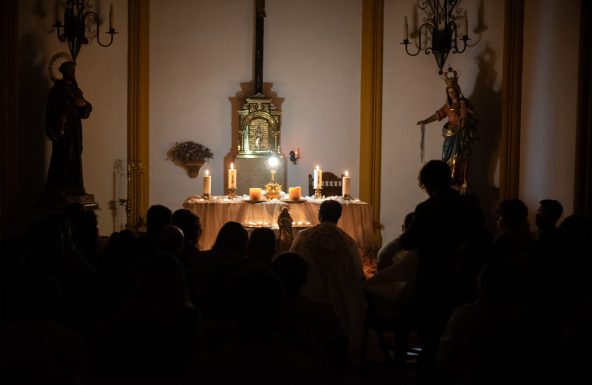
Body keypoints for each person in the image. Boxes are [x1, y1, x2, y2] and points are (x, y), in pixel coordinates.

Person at [416, 67, 478, 191]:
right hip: (450, 134)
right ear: (447, 93)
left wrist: (466, 113)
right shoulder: (447, 107)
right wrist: (425, 122)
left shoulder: (464, 103)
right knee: (446, 157)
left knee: (461, 158)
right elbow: (437, 115)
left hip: (462, 134)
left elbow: (474, 115)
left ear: (457, 90)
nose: (452, 94)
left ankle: (461, 180)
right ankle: (448, 180)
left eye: (453, 91)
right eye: (449, 92)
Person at [43, 60, 92, 202]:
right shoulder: (57, 90)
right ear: (64, 72)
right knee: (63, 156)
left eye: (73, 70)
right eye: (70, 70)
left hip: (75, 128)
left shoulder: (76, 90)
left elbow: (87, 106)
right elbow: (50, 111)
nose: (73, 73)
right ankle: (61, 187)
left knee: (76, 154)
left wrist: (83, 104)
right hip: (63, 129)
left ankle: (75, 187)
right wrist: (56, 126)